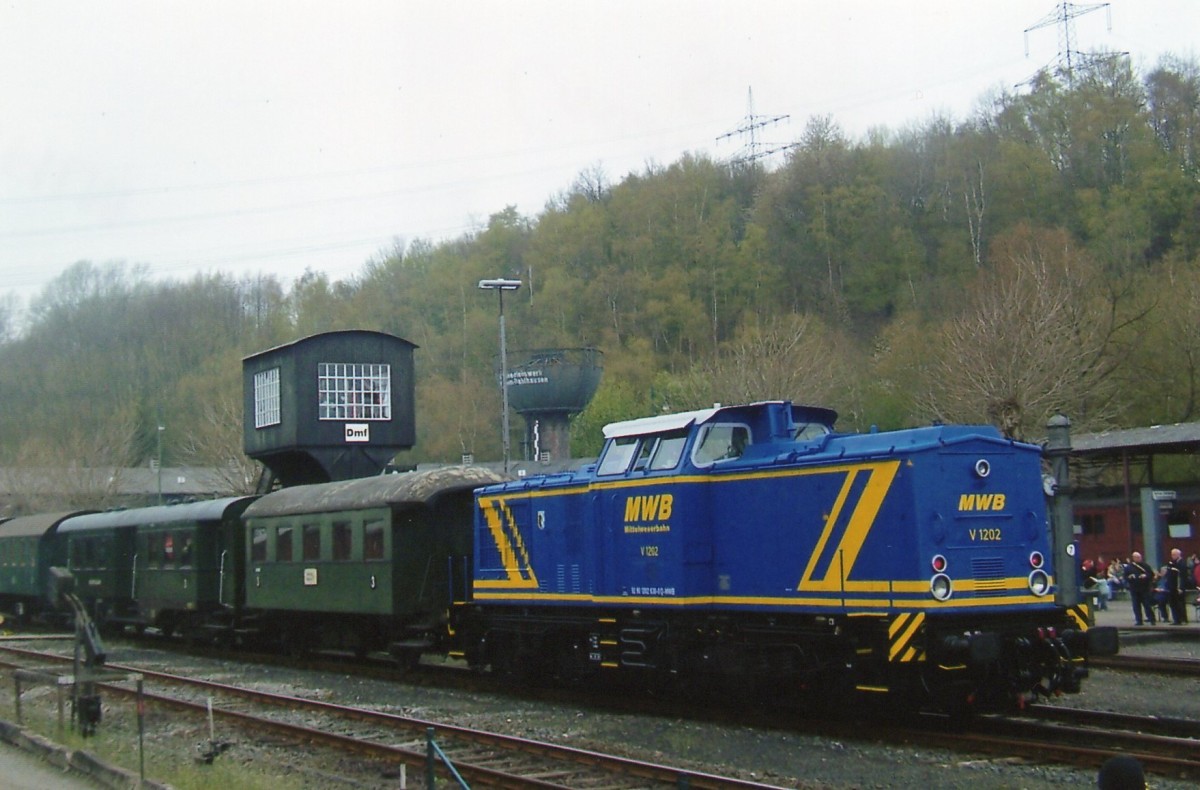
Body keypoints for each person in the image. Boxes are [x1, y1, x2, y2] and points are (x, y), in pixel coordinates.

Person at [1123, 552, 1156, 626]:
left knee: (1147, 604)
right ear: (1133, 558)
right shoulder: (1129, 567)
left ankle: (1151, 619)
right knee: (1136, 605)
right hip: (1134, 589)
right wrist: (1130, 577)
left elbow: (1151, 574)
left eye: (1139, 557)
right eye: (1137, 557)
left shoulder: (1145, 566)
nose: (1139, 559)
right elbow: (1125, 576)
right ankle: (1139, 620)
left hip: (1144, 588)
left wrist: (1145, 576)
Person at [1166, 547, 1188, 625]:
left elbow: (1182, 577)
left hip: (1178, 587)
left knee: (1180, 604)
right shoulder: (1171, 563)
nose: (1173, 556)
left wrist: (1181, 587)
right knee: (1173, 603)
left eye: (1174, 554)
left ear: (1179, 554)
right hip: (1171, 587)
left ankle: (1182, 619)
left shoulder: (1182, 563)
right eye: (1172, 554)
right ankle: (1176, 619)